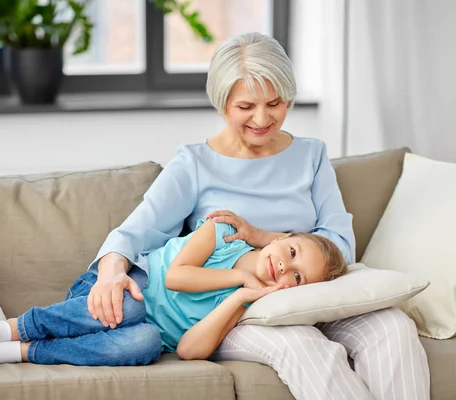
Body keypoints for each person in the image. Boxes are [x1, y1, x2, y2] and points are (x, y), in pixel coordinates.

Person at [87, 32, 430, 400]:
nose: (263, 118)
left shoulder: (311, 156)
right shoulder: (194, 164)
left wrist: (262, 237)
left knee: (393, 328)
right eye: (246, 106)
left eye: (275, 103)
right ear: (223, 104)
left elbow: (341, 248)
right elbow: (137, 232)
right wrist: (110, 272)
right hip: (243, 307)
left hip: (314, 293)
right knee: (302, 344)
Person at [0, 218, 346, 367]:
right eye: (292, 252)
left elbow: (188, 350)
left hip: (141, 331)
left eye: (297, 279)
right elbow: (178, 277)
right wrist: (236, 281)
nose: (285, 268)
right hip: (115, 294)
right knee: (132, 309)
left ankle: (23, 352)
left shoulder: (251, 303)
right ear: (284, 237)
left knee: (146, 343)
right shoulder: (220, 236)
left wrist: (238, 300)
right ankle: (15, 328)